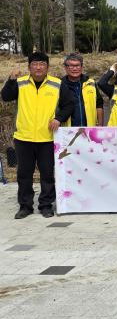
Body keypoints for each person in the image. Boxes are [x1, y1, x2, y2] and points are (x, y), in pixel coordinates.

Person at [1, 52, 75, 219]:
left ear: (47, 67)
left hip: (47, 138)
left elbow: (69, 105)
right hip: (23, 137)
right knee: (24, 174)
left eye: (42, 64)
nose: (39, 67)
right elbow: (5, 97)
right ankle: (25, 206)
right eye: (35, 64)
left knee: (47, 174)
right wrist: (11, 79)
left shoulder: (57, 84)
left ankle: (46, 205)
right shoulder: (20, 83)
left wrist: (59, 118)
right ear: (29, 67)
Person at [61, 52, 103, 126]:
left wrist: (100, 125)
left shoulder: (91, 83)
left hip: (89, 129)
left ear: (82, 67)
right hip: (67, 130)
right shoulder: (60, 85)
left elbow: (99, 105)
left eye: (77, 65)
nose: (75, 69)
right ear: (65, 67)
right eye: (71, 66)